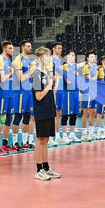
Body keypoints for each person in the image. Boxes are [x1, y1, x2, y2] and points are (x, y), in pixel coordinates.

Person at [31, 46, 61, 180]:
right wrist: (49, 85)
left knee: (46, 140)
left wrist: (55, 83)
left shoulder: (46, 74)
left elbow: (51, 93)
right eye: (46, 56)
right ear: (39, 58)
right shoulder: (37, 74)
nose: (48, 58)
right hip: (41, 110)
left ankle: (46, 167)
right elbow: (38, 96)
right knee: (40, 139)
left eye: (49, 56)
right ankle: (38, 170)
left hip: (49, 109)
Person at [0, 41, 16, 154]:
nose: (13, 50)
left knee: (8, 119)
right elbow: (2, 79)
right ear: (5, 49)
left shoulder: (8, 60)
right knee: (0, 119)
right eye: (10, 48)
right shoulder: (1, 60)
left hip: (9, 92)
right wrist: (11, 73)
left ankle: (5, 143)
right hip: (2, 93)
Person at [11, 40, 37, 151]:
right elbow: (21, 78)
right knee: (18, 117)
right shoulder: (18, 60)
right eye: (28, 46)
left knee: (27, 117)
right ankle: (15, 142)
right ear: (22, 47)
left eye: (30, 46)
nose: (30, 48)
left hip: (29, 92)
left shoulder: (29, 60)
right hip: (20, 92)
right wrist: (32, 70)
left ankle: (25, 142)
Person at [61, 50, 81, 142]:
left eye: (74, 55)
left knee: (74, 114)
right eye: (72, 55)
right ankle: (64, 135)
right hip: (68, 93)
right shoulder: (65, 66)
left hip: (76, 92)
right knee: (66, 114)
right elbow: (68, 81)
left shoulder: (75, 66)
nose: (74, 57)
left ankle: (72, 134)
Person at [81, 51, 98, 141]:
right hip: (87, 92)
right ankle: (84, 133)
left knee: (93, 112)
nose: (93, 58)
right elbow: (89, 79)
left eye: (94, 56)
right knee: (86, 112)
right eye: (91, 57)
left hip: (94, 91)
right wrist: (96, 74)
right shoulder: (86, 67)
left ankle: (91, 133)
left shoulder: (95, 67)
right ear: (87, 58)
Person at [51, 42, 66, 145]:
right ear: (53, 49)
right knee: (52, 113)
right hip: (54, 90)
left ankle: (57, 135)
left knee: (58, 113)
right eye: (58, 48)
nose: (60, 50)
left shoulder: (59, 60)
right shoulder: (50, 60)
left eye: (61, 48)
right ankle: (50, 136)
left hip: (61, 89)